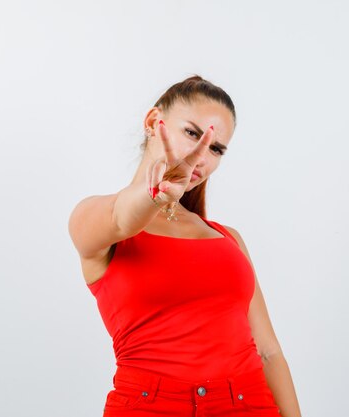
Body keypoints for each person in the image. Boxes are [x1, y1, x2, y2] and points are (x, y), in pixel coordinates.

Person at [68, 75, 302, 417]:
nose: (201, 156)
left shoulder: (229, 239)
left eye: (216, 149)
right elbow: (122, 218)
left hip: (249, 404)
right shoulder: (95, 219)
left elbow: (268, 351)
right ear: (153, 123)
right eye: (192, 133)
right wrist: (154, 195)